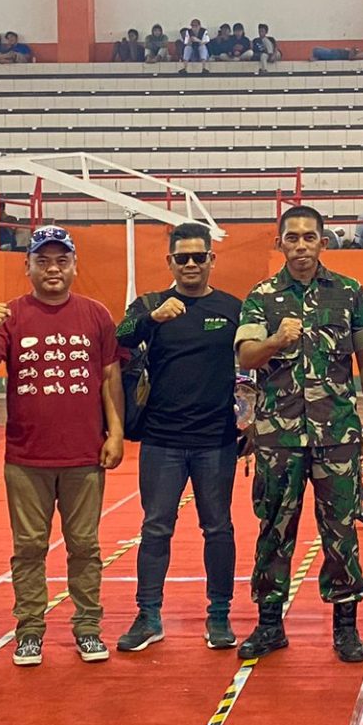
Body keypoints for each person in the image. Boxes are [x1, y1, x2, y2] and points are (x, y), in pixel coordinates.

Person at [235, 205, 363, 663]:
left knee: (341, 529)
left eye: (309, 237)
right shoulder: (261, 296)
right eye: (292, 237)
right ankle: (269, 624)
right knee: (274, 528)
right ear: (279, 243)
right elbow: (246, 357)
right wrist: (276, 341)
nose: (301, 245)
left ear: (323, 241)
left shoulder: (350, 292)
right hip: (277, 438)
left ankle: (345, 626)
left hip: (336, 434)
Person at [0, 226, 124, 667]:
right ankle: (29, 630)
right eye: (43, 261)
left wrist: (115, 432)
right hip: (26, 457)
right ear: (28, 267)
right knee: (29, 548)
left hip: (84, 456)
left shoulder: (96, 314)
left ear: (74, 266)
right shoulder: (12, 315)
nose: (52, 269)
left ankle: (88, 627)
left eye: (61, 261)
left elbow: (109, 377)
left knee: (85, 547)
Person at [113, 222, 244, 652]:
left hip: (216, 441)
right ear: (170, 261)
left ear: (211, 260)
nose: (190, 264)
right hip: (161, 440)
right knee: (155, 528)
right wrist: (150, 319)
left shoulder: (232, 308)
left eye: (198, 257)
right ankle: (148, 615)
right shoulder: (150, 305)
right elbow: (117, 339)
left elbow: (255, 362)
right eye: (182, 257)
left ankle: (219, 615)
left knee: (218, 528)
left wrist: (251, 421)